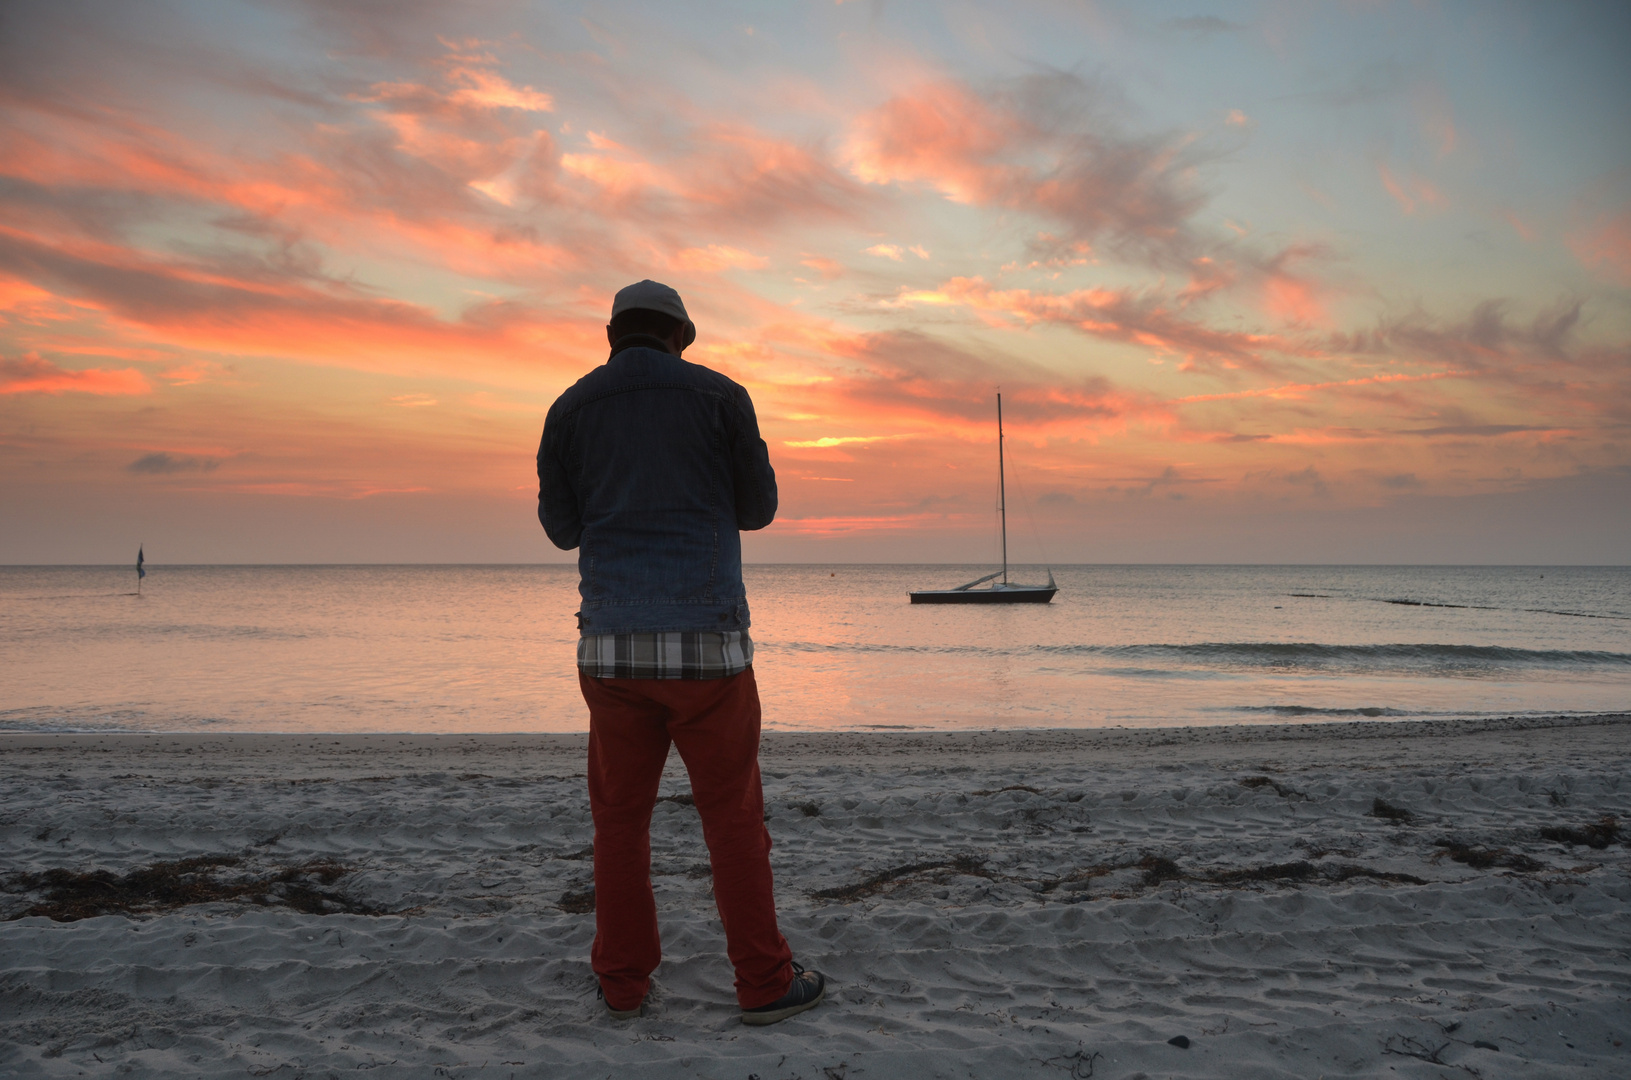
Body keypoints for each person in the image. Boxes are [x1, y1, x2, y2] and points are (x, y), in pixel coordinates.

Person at [537, 279, 826, 1026]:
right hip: (707, 648)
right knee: (731, 819)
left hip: (609, 647)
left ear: (612, 336)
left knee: (619, 822)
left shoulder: (569, 409)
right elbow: (758, 510)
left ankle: (623, 984)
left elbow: (562, 530)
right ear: (680, 336)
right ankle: (763, 984)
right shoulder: (721, 397)